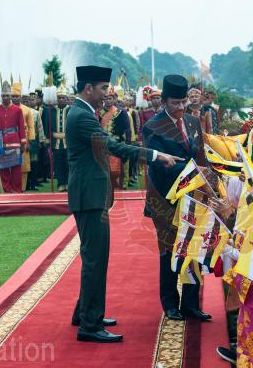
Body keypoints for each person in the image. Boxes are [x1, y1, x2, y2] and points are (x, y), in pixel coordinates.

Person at [66, 65, 181, 343]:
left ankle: (85, 312)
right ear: (88, 88)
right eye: (103, 88)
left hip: (91, 194)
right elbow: (113, 146)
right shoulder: (82, 116)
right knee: (95, 259)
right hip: (89, 196)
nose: (107, 93)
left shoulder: (81, 112)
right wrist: (155, 155)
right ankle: (90, 325)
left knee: (93, 257)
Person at [142, 74, 211, 322]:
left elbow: (200, 155)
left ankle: (191, 304)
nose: (181, 107)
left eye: (184, 102)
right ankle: (170, 304)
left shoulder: (192, 121)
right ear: (163, 101)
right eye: (175, 103)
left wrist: (209, 174)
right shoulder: (152, 126)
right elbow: (160, 166)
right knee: (170, 251)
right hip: (165, 199)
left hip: (194, 198)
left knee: (194, 249)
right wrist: (195, 172)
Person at [0, 81, 26, 193]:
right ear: (1, 96)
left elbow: (21, 127)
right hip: (1, 144)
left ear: (10, 96)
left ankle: (16, 190)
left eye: (7, 95)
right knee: (3, 168)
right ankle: (7, 190)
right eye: (3, 96)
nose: (5, 98)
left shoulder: (18, 110)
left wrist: (23, 143)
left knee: (16, 168)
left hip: (15, 142)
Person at [10, 82, 35, 191]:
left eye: (17, 96)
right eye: (13, 96)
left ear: (20, 97)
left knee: (23, 166)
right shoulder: (7, 108)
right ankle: (12, 188)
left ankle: (22, 188)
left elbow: (31, 126)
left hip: (24, 141)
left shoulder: (26, 110)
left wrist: (30, 141)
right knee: (11, 165)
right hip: (10, 141)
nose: (15, 98)